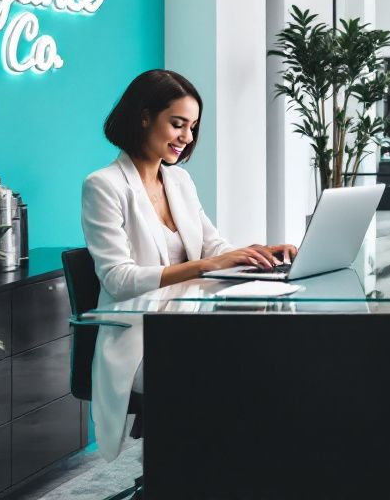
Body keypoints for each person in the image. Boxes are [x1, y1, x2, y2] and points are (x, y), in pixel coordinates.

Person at [83, 70, 299, 460]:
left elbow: (214, 246)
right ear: (144, 116)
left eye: (193, 127)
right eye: (178, 124)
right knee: (234, 377)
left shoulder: (179, 181)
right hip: (139, 341)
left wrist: (261, 254)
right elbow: (118, 279)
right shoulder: (105, 185)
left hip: (192, 327)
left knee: (273, 360)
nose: (187, 137)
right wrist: (206, 265)